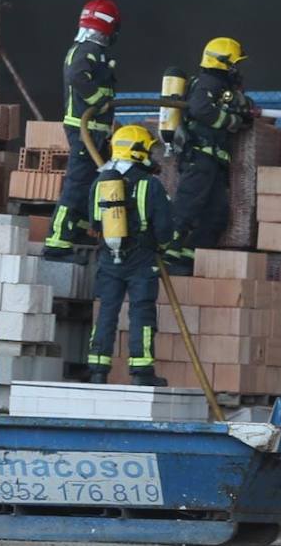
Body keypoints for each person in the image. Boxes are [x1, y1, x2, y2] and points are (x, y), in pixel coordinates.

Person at [86, 124, 174, 386]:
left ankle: (98, 372)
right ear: (138, 152)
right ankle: (142, 373)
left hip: (109, 257)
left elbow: (94, 221)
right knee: (142, 313)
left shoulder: (101, 181)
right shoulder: (151, 185)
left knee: (106, 313)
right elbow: (165, 230)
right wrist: (164, 248)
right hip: (142, 261)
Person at [162, 37, 255, 274]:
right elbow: (200, 109)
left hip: (212, 161)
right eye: (235, 64)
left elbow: (234, 106)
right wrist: (232, 120)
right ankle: (168, 251)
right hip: (199, 157)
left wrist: (243, 111)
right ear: (224, 63)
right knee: (187, 206)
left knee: (216, 215)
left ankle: (189, 255)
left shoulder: (221, 89)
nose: (237, 70)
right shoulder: (208, 83)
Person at [43, 0, 120, 262]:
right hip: (84, 129)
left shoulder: (91, 50)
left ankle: (76, 231)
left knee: (90, 184)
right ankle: (56, 243)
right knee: (76, 186)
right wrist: (100, 99)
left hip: (95, 130)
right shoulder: (87, 50)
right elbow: (78, 77)